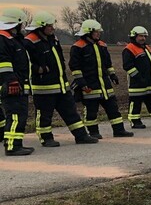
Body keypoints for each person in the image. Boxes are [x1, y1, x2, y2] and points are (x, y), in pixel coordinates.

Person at [23, 11, 97, 147]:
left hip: (61, 84)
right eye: (50, 26)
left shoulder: (53, 38)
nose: (53, 28)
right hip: (43, 87)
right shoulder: (29, 41)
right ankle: (46, 138)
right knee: (44, 115)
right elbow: (24, 62)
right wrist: (38, 69)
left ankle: (81, 135)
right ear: (41, 26)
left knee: (71, 112)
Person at [69, 19, 134, 139]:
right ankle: (93, 132)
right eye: (96, 32)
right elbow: (75, 67)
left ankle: (119, 130)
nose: (99, 34)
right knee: (91, 111)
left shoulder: (102, 45)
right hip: (89, 84)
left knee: (113, 108)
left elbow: (107, 63)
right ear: (88, 32)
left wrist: (112, 75)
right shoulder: (78, 47)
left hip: (104, 84)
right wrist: (81, 83)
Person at [0, 8, 34, 155]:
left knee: (19, 115)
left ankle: (16, 144)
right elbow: (3, 64)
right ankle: (13, 147)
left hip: (17, 84)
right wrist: (12, 81)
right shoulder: (3, 39)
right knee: (15, 116)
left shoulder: (12, 40)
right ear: (16, 24)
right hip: (12, 85)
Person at [122, 26, 151, 129]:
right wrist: (139, 78)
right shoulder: (129, 49)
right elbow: (128, 66)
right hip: (136, 83)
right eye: (140, 36)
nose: (143, 38)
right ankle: (135, 121)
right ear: (134, 36)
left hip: (149, 81)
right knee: (136, 102)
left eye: (144, 36)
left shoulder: (146, 47)